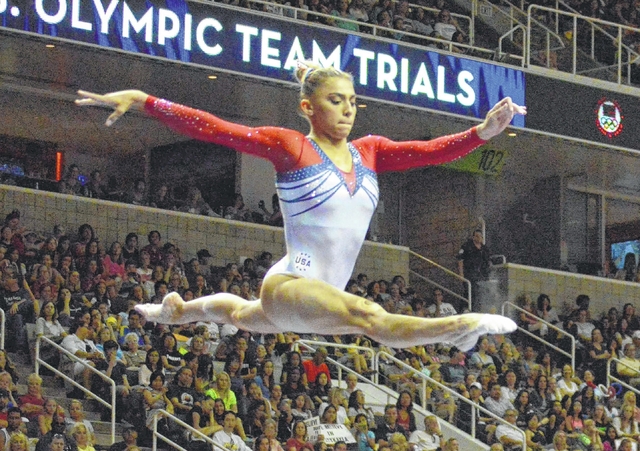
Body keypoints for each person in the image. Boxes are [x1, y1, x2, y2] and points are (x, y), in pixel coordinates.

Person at [76, 61, 524, 350]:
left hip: (318, 299)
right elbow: (215, 129)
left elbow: (429, 152)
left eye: (352, 102)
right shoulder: (291, 147)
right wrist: (144, 100)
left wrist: (481, 132)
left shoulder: (370, 151)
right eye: (335, 101)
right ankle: (461, 327)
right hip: (293, 283)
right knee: (369, 316)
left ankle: (178, 311)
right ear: (307, 107)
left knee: (237, 314)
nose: (347, 111)